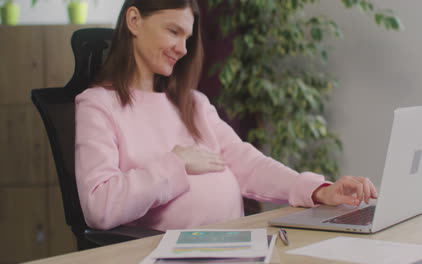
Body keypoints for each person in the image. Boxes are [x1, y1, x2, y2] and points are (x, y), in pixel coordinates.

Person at [75, 0, 378, 231]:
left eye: (188, 38)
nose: (182, 49)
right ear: (134, 21)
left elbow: (247, 163)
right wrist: (176, 163)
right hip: (170, 254)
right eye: (173, 31)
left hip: (235, 244)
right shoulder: (98, 106)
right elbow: (100, 206)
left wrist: (319, 190)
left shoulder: (193, 103)